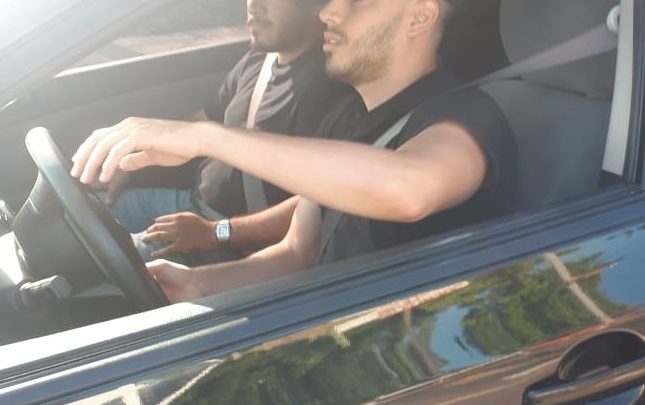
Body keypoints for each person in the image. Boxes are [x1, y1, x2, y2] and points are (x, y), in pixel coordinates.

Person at [71, 0, 517, 303]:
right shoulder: (347, 121)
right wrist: (196, 284)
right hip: (313, 322)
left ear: (419, 16)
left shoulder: (468, 115)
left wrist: (206, 138)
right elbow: (298, 254)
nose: (327, 11)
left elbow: (409, 188)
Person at [98, 0, 354, 265]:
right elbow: (201, 121)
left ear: (315, 5)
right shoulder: (260, 59)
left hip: (232, 242)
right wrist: (130, 164)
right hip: (192, 203)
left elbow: (323, 205)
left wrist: (215, 232)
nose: (254, 5)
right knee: (92, 211)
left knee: (105, 263)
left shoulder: (333, 90)